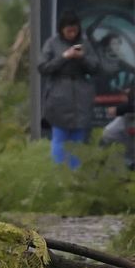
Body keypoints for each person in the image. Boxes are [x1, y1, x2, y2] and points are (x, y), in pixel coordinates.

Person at [38, 9, 110, 168]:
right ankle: (58, 170)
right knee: (60, 136)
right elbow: (43, 67)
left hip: (81, 94)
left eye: (74, 30)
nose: (71, 34)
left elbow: (95, 67)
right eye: (68, 31)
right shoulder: (52, 43)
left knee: (78, 136)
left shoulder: (84, 43)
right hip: (59, 94)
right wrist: (64, 57)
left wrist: (82, 57)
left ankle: (75, 171)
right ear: (62, 29)